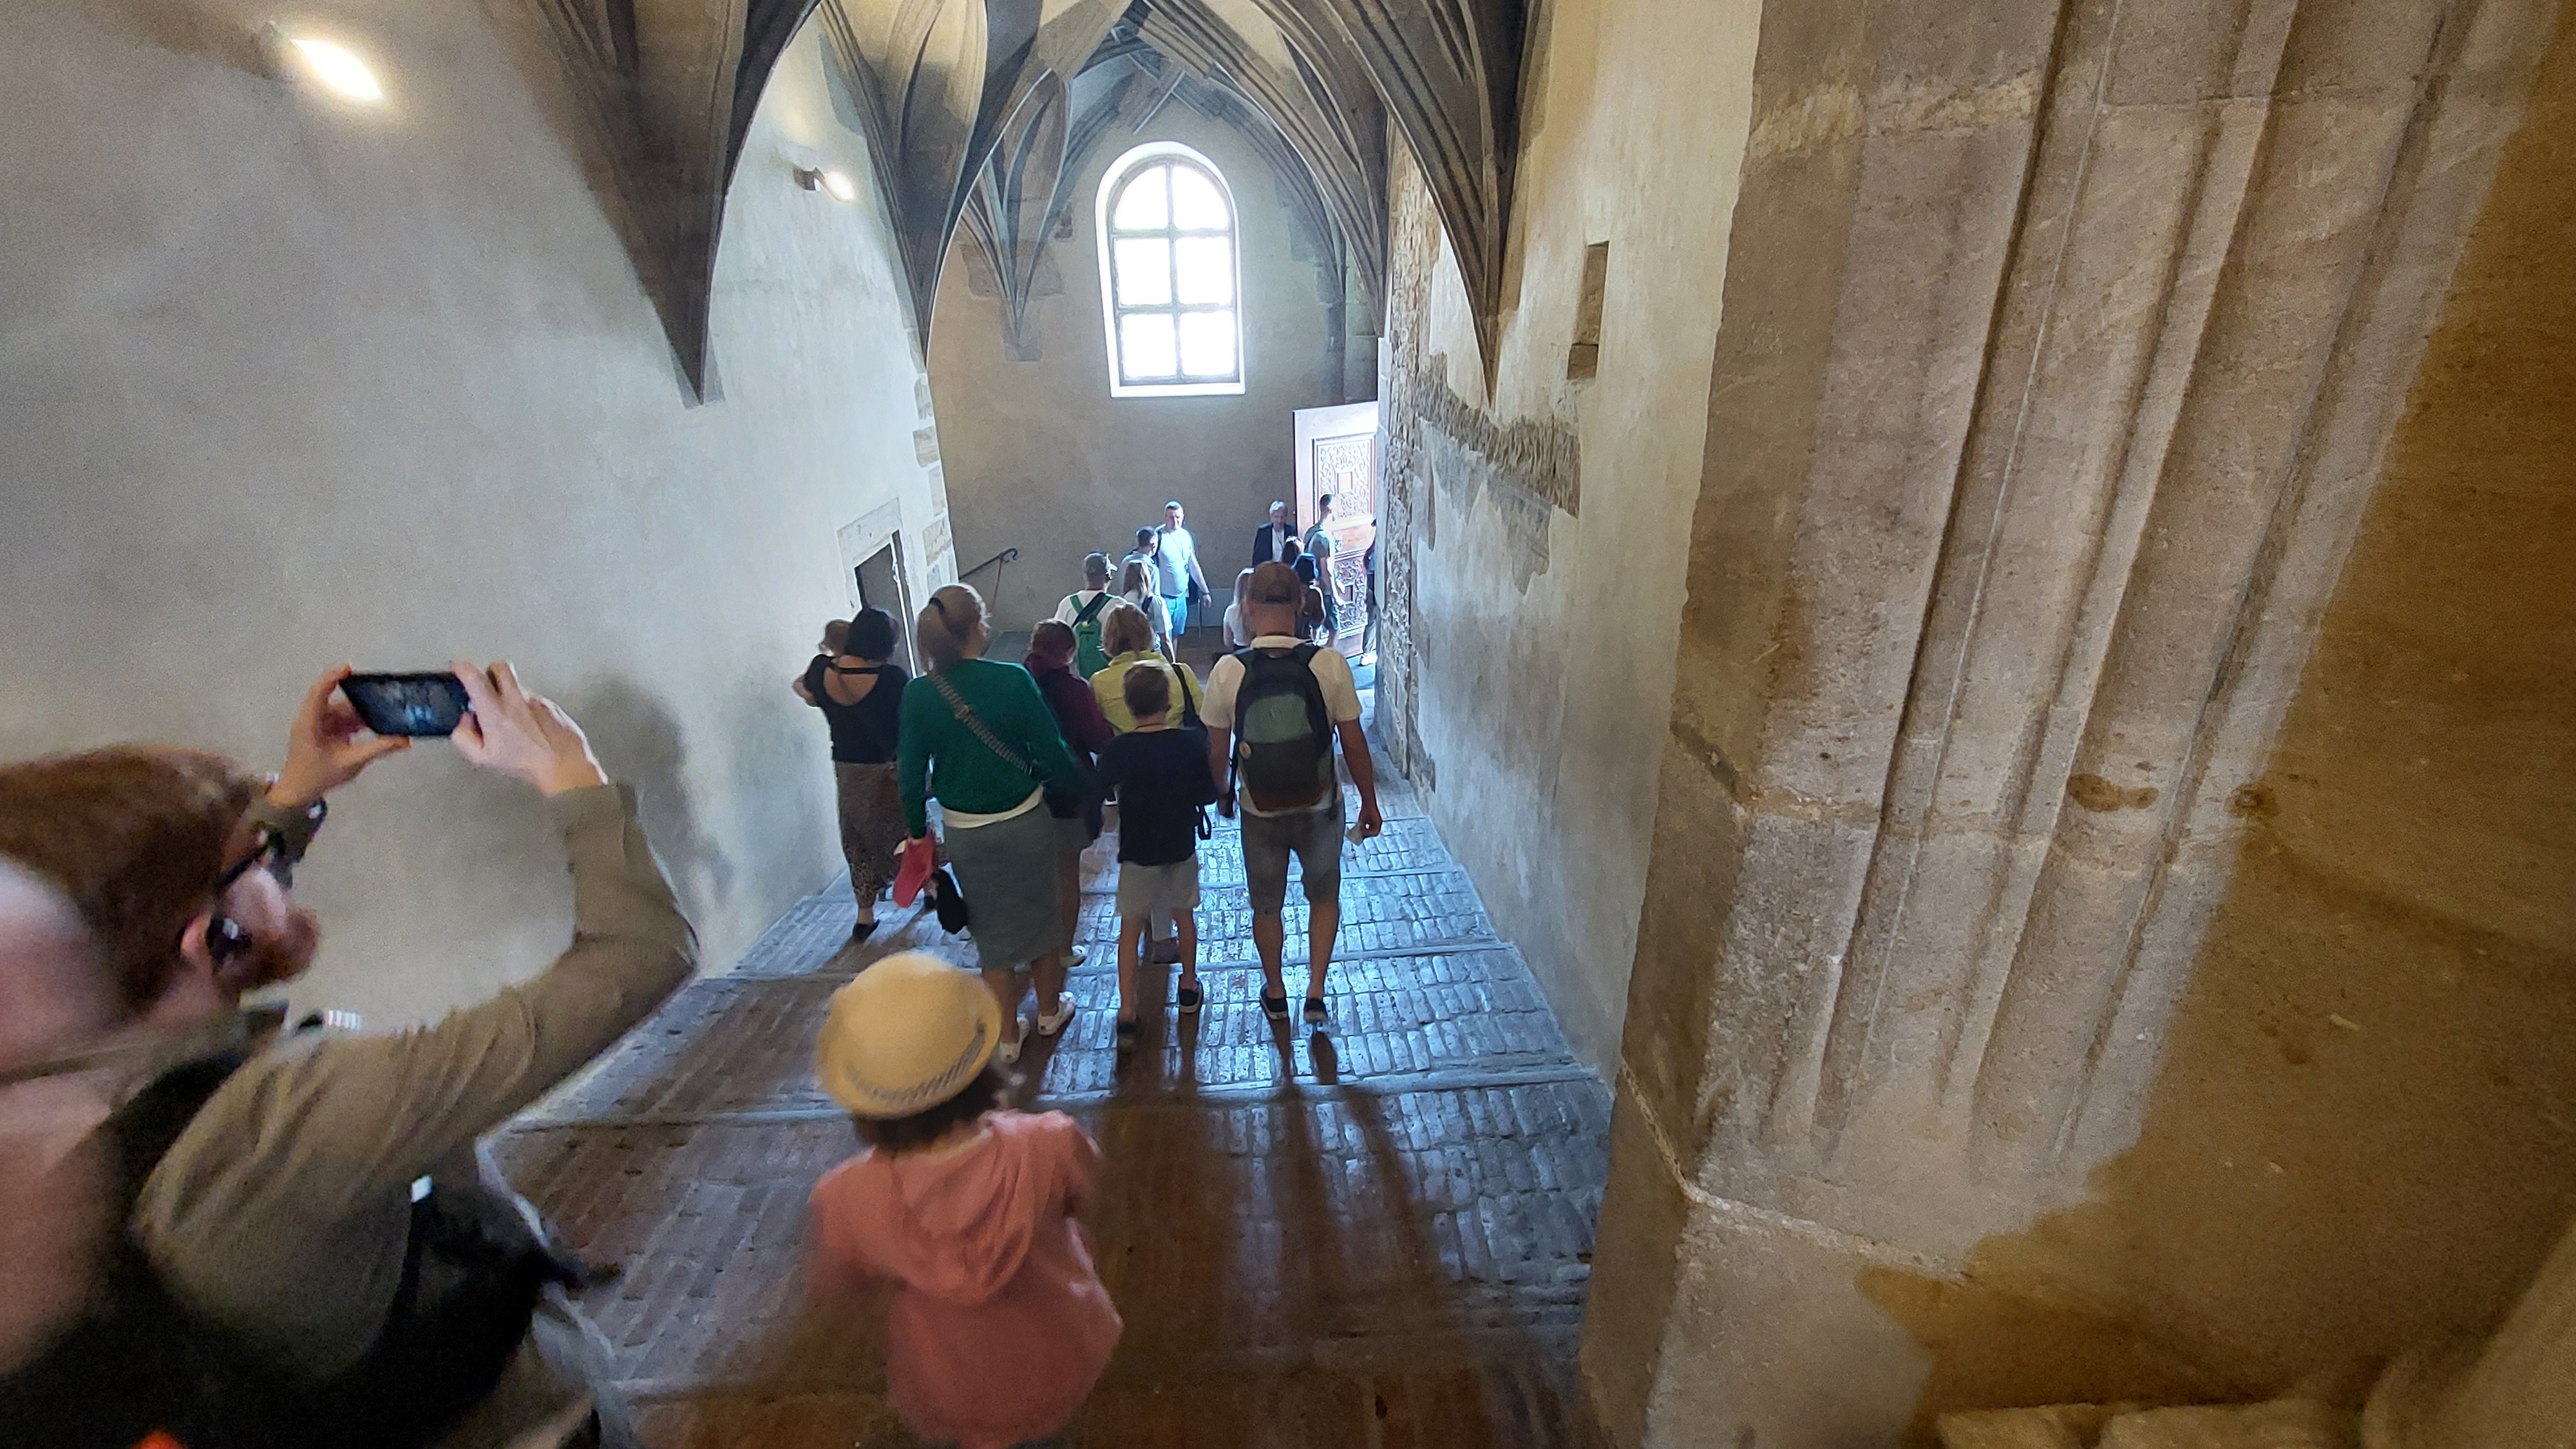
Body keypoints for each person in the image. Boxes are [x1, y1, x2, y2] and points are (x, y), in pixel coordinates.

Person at [0, 662, 697, 1449]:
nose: (278, 866)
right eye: (260, 861)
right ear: (207, 939)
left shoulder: (61, 1105)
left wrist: (293, 799)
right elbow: (644, 953)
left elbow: (204, 910)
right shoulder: (292, 1117)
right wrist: (571, 773)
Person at [808, 952, 1119, 1449]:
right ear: (980, 1064)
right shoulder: (1049, 1144)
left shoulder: (847, 1195)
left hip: (945, 1381)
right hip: (1052, 1357)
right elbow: (1085, 1194)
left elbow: (840, 1284)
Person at [900, 585, 1088, 1063]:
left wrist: (919, 832)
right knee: (1042, 916)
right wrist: (1072, 787)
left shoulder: (920, 694)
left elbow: (910, 774)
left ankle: (1007, 1035)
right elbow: (1052, 751)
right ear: (978, 627)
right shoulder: (1011, 679)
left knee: (989, 930)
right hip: (1025, 819)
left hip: (965, 830)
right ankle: (1049, 1012)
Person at [1206, 564, 1384, 1026]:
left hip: (1259, 808)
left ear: (1248, 606)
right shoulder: (1329, 664)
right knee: (1323, 897)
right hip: (1319, 805)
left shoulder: (1228, 672)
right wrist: (1369, 801)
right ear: (1301, 602)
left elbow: (1217, 751)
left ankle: (1276, 991)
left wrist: (1223, 794)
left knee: (1267, 905)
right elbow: (1353, 742)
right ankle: (1317, 992)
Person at [1093, 667, 1217, 1049]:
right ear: (1168, 702)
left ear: (1129, 707)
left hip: (1137, 849)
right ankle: (1188, 985)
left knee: (1130, 928)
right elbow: (1207, 793)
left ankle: (1127, 1010)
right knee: (1184, 916)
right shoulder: (1190, 742)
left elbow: (1096, 791)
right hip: (1179, 843)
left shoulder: (1118, 750)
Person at [796, 609, 910, 943]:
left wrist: (819, 700)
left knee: (857, 837)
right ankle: (930, 887)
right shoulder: (893, 678)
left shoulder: (822, 669)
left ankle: (865, 914)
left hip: (848, 767)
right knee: (908, 829)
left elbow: (802, 688)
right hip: (889, 766)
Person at [1024, 620, 1114, 972]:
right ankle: (1062, 949)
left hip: (1022, 790)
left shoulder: (1016, 682)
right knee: (1065, 873)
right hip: (1064, 792)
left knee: (1028, 875)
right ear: (1069, 652)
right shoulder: (1073, 688)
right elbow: (1099, 739)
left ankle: (1029, 949)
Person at [1090, 602, 1204, 735]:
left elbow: (1096, 732)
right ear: (1148, 633)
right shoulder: (1181, 673)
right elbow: (1205, 717)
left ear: (1108, 639)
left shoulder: (1099, 682)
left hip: (1124, 748)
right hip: (1179, 746)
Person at [1152, 500, 1209, 645]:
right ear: (1165, 518)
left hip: (1181, 597)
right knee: (1163, 636)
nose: (1175, 521)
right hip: (1164, 597)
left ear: (1183, 517)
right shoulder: (1158, 536)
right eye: (1171, 518)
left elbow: (1193, 565)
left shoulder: (1186, 536)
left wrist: (1205, 591)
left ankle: (1174, 659)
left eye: (1178, 517)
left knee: (1176, 635)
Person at [1052, 553, 1118, 679]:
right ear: (1108, 577)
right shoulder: (1118, 605)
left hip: (1075, 677)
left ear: (1085, 576)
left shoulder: (1067, 604)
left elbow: (1056, 639)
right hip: (1109, 677)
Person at [1115, 556, 1172, 659]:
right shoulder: (1156, 602)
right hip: (1151, 655)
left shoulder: (1120, 603)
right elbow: (1165, 639)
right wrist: (1173, 663)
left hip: (1128, 657)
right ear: (1147, 577)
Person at [1305, 493, 1341, 641]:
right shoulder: (1325, 538)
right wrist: (1335, 596)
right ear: (1330, 509)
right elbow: (1327, 570)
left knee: (1315, 627)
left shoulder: (1310, 532)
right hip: (1324, 591)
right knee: (1335, 630)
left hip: (1311, 589)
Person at [1280, 538, 1329, 644]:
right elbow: (1319, 619)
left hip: (1286, 638)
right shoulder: (1314, 594)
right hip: (1305, 640)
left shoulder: (1286, 589)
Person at [1222, 566, 1258, 649]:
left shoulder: (1230, 611)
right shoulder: (1264, 610)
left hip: (1239, 652)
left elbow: (1228, 642)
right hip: (1259, 651)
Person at [1251, 500, 1294, 565]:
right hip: (1268, 568)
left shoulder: (1292, 531)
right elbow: (1257, 556)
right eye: (1276, 517)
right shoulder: (1263, 532)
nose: (1280, 521)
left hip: (1287, 568)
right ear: (1271, 517)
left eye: (1282, 517)